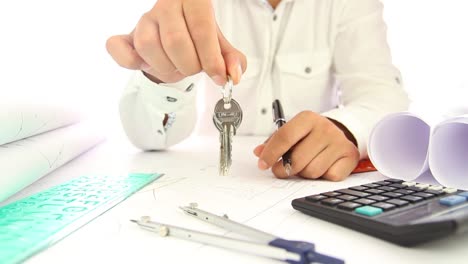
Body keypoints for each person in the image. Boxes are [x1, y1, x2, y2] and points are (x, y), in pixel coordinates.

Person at [106, 0, 409, 181]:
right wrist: (164, 77)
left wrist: (344, 128)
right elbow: (149, 139)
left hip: (309, 188)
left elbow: (385, 96)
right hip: (210, 183)